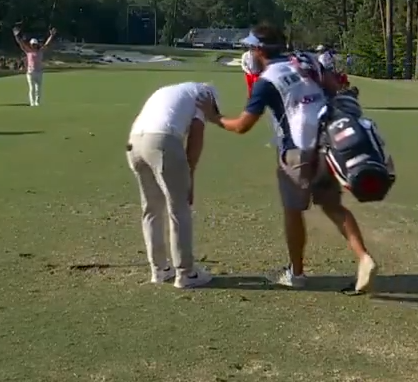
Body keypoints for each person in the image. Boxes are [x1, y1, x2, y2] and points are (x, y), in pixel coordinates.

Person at [209, 23, 378, 292]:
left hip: (296, 150)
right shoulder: (307, 60)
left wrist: (215, 118)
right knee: (333, 206)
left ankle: (296, 274)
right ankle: (364, 257)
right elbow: (334, 88)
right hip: (328, 144)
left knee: (293, 210)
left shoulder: (267, 80)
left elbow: (242, 125)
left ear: (258, 50)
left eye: (251, 48)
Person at [127, 81, 219, 288]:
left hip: (134, 142)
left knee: (151, 208)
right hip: (162, 141)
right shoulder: (204, 96)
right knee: (179, 208)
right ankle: (186, 273)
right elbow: (196, 134)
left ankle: (159, 269)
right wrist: (190, 177)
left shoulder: (172, 90)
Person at [14, 26, 57, 106]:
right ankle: (32, 102)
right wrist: (17, 36)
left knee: (38, 89)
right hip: (30, 72)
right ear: (30, 44)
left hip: (39, 72)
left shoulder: (40, 51)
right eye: (33, 44)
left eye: (35, 44)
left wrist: (51, 35)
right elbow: (21, 43)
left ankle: (37, 102)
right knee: (32, 88)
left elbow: (47, 44)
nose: (34, 45)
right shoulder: (28, 50)